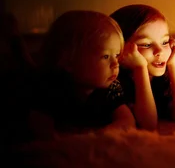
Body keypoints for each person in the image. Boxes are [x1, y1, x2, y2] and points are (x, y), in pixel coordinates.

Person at [28, 11, 135, 139]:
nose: (115, 64)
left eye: (117, 55)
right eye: (105, 56)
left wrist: (95, 136)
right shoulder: (51, 86)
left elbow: (127, 122)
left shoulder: (111, 87)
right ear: (69, 62)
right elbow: (40, 128)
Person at [110, 4, 175, 130]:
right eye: (146, 44)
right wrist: (140, 68)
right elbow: (148, 125)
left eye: (165, 42)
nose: (159, 51)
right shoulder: (114, 82)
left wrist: (174, 65)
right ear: (121, 49)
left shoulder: (162, 77)